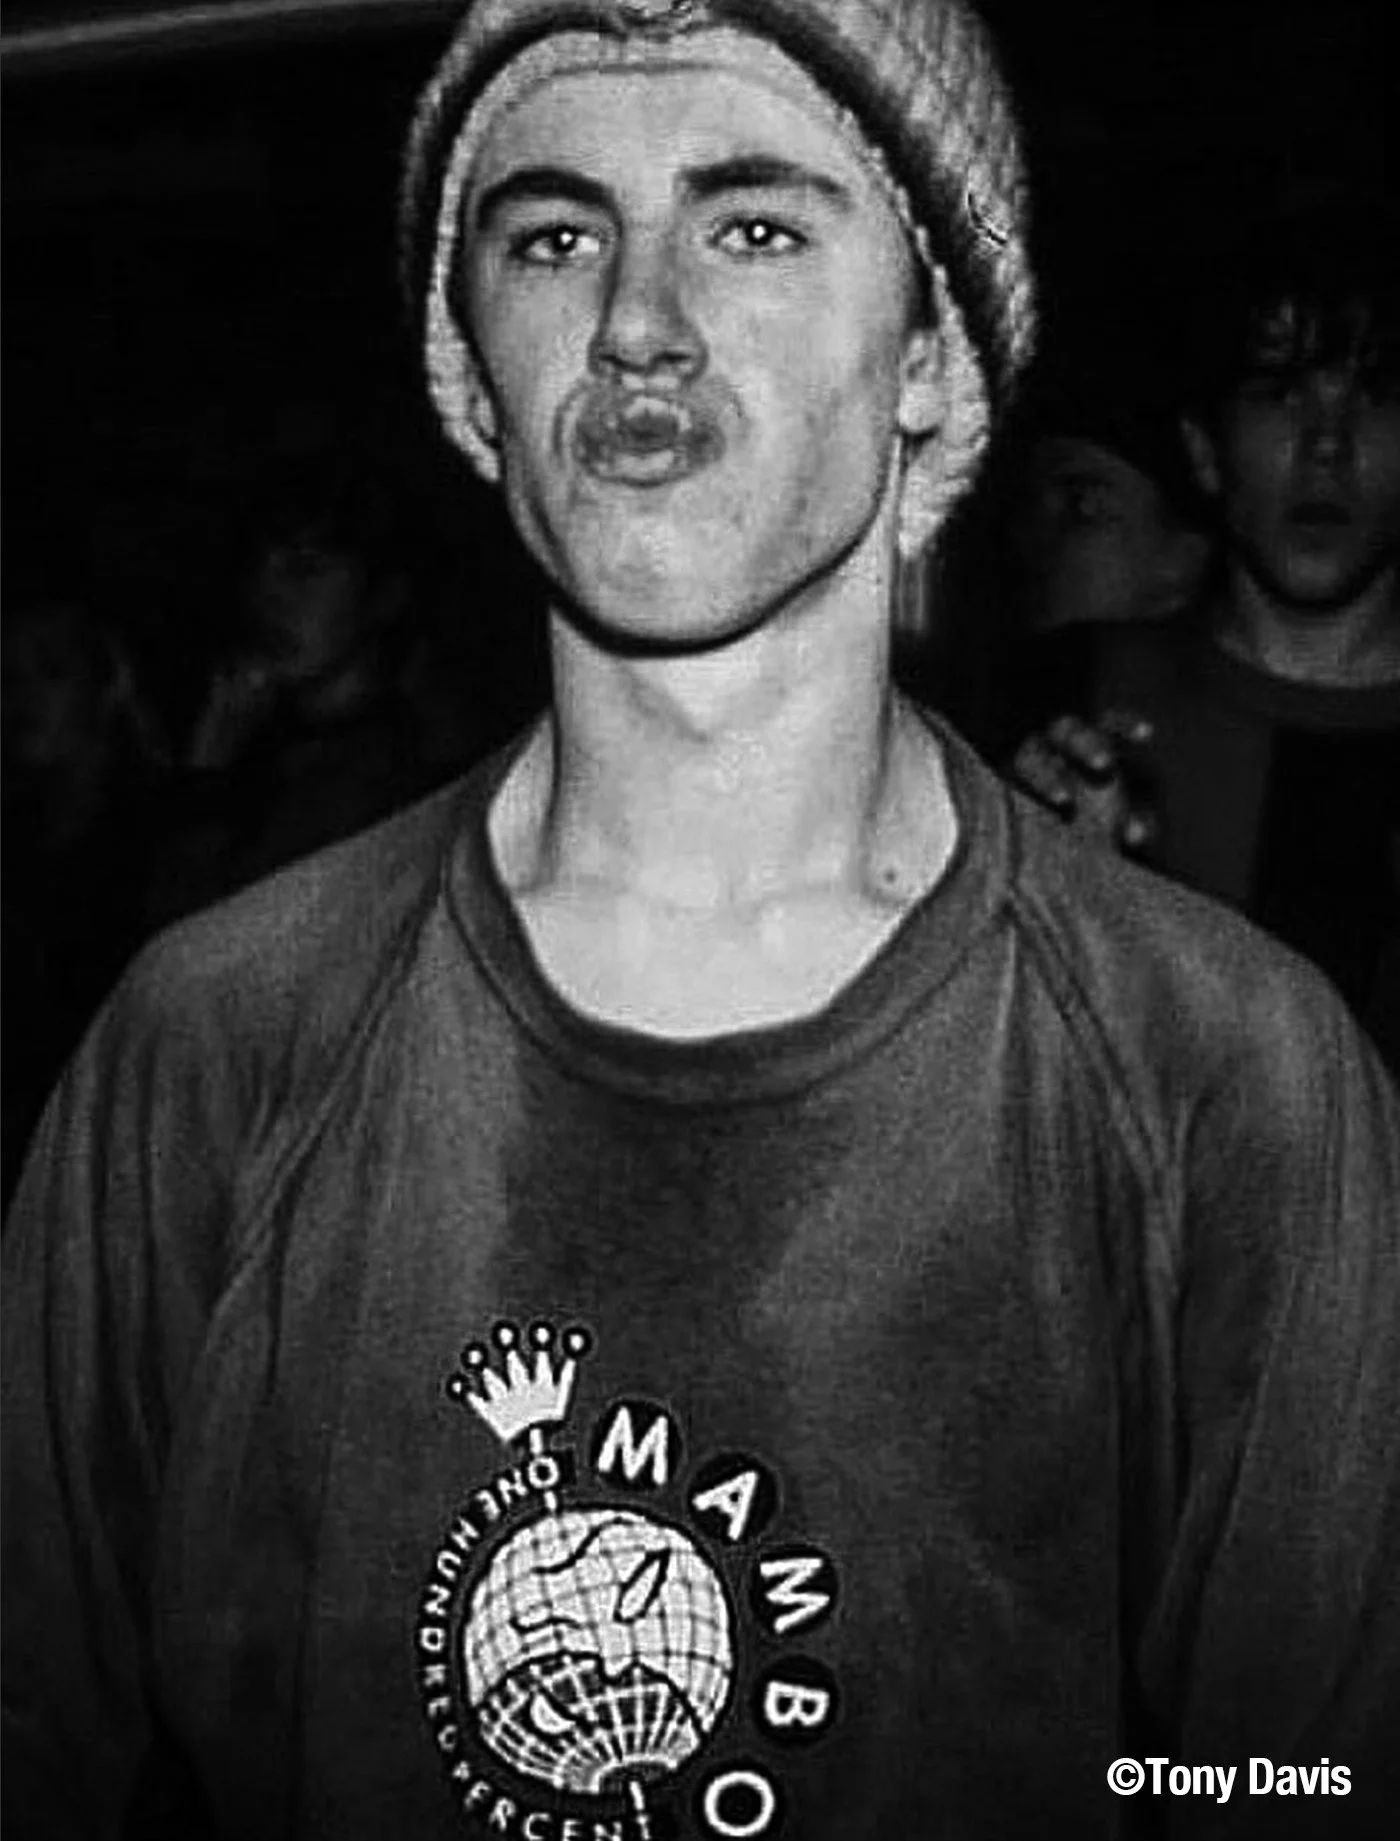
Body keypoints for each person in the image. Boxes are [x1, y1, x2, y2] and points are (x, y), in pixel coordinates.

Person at [4, 4, 1399, 1839]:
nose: (636, 319)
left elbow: (1299, 1775)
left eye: (753, 227)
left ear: (928, 354)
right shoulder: (213, 1042)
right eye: (552, 236)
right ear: (469, 365)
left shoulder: (1224, 1075)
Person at [1013, 189, 1400, 1074]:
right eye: (1281, 393)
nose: (1328, 444)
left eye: (1374, 392)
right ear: (1204, 450)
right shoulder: (1069, 706)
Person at [1, 601, 170, 1204]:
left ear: (109, 681)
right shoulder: (19, 832)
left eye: (51, 672)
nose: (23, 699)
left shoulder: (155, 837)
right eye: (8, 678)